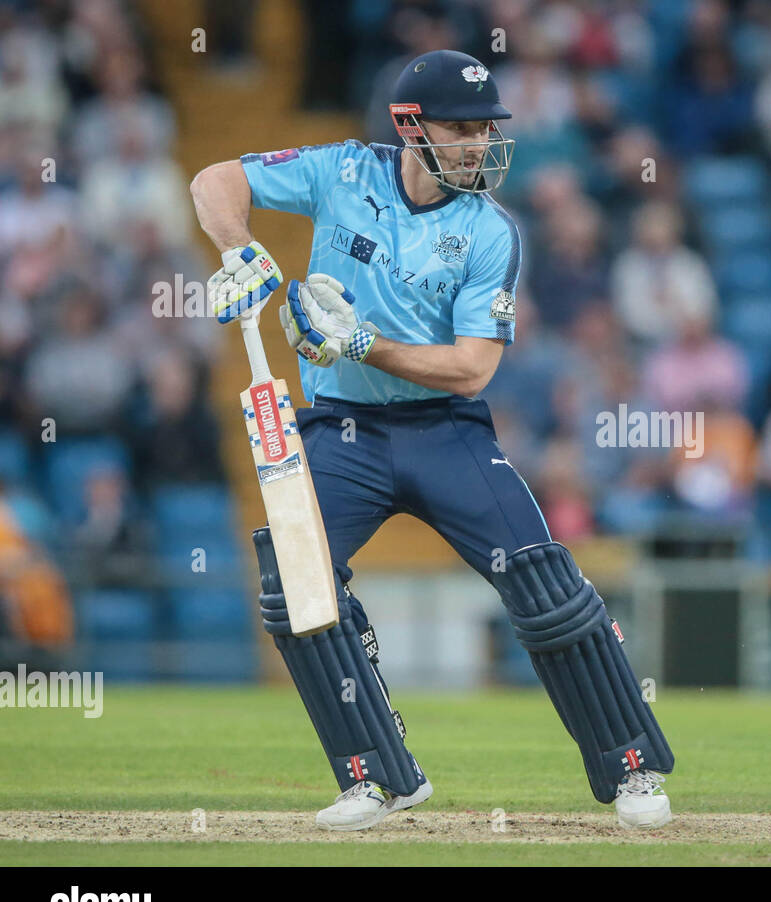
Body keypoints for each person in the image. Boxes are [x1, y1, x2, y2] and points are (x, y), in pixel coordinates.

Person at [190, 51, 673, 832]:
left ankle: (632, 767)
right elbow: (214, 180)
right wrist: (239, 248)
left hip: (443, 431)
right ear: (410, 126)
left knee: (545, 585)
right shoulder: (343, 172)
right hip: (340, 432)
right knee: (294, 583)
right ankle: (377, 776)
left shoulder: (491, 230)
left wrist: (359, 343)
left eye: (486, 127)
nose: (480, 142)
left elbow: (472, 370)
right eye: (462, 127)